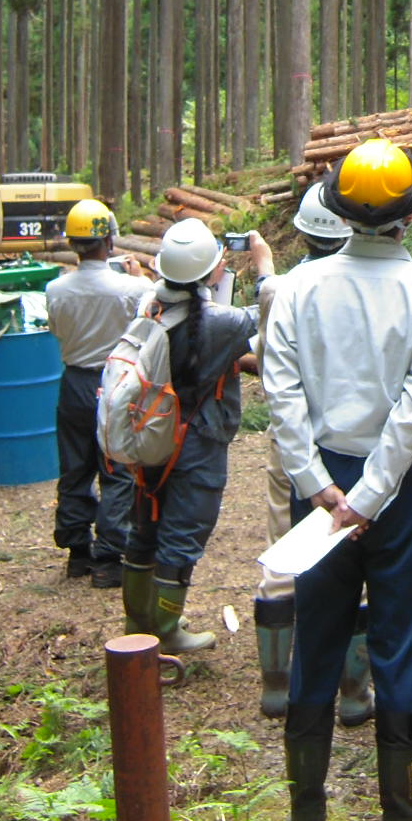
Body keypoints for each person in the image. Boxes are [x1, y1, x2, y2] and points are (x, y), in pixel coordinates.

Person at [261, 140, 412, 821]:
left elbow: (281, 396)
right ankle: (403, 820)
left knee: (316, 638)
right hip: (396, 488)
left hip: (321, 488)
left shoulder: (299, 290)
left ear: (338, 210)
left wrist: (318, 486)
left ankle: (307, 819)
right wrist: (373, 495)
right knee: (396, 643)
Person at [121, 217, 276, 654]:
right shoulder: (221, 323)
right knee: (184, 533)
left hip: (149, 433)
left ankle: (139, 618)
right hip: (197, 441)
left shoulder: (148, 304)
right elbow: (271, 315)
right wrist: (263, 264)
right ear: (213, 268)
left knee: (147, 523)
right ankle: (166, 629)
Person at [255, 183, 375, 726]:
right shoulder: (373, 282)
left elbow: (265, 362)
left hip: (294, 441)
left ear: (301, 233)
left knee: (284, 555)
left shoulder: (281, 288)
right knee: (356, 564)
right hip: (357, 441)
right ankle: (354, 691)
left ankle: (278, 687)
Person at [46, 199, 143, 589]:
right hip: (115, 382)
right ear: (109, 241)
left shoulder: (55, 289)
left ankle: (76, 551)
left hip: (73, 382)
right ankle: (109, 557)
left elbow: (56, 331)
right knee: (116, 469)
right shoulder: (132, 287)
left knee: (75, 466)